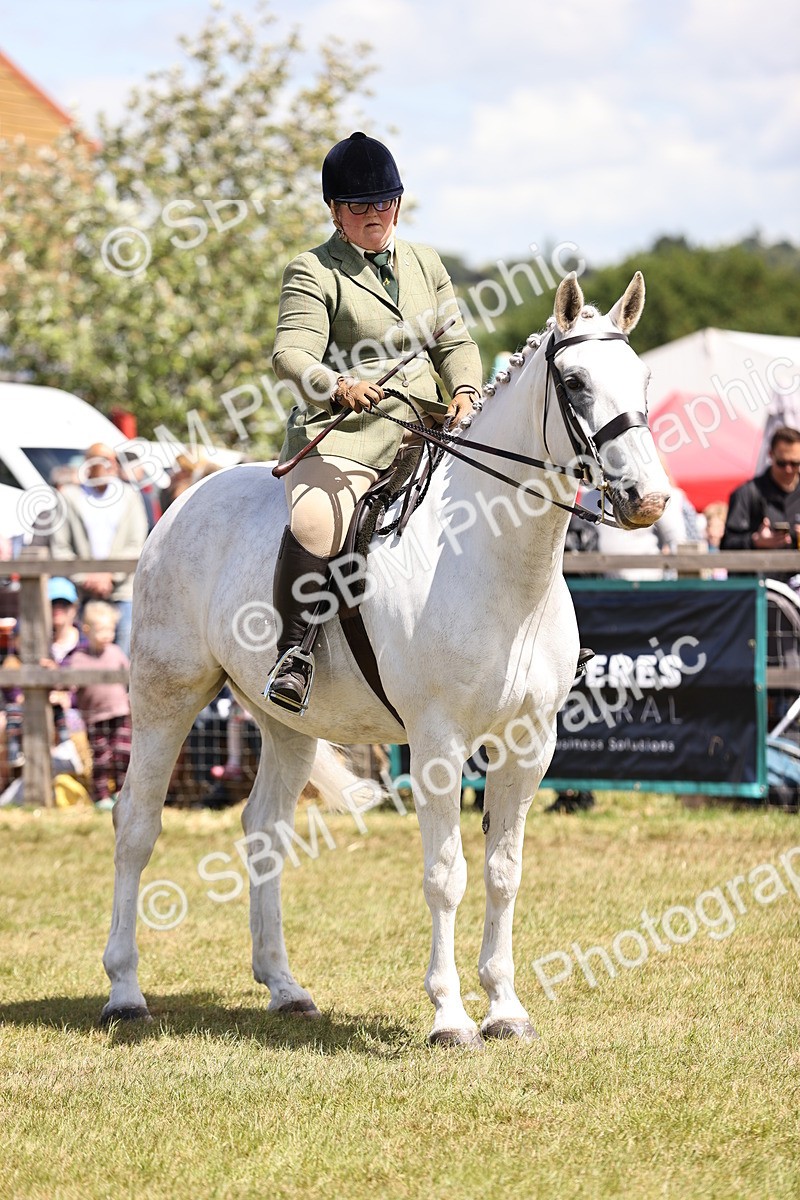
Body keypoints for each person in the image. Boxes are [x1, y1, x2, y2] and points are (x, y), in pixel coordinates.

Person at [264, 131, 484, 711]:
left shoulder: (426, 263)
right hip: (349, 434)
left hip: (427, 429)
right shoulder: (313, 270)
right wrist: (338, 386)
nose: (374, 215)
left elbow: (455, 342)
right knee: (316, 523)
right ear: (335, 211)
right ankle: (293, 654)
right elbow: (291, 354)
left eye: (384, 202)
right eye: (359, 206)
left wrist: (465, 388)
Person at [49, 442, 150, 657]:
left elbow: (137, 543)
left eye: (112, 460)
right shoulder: (69, 497)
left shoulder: (129, 496)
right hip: (82, 593)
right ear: (88, 465)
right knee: (83, 657)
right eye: (102, 461)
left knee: (123, 658)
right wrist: (87, 577)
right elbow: (60, 547)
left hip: (122, 590)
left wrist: (109, 575)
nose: (109, 465)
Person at [62, 600, 130, 810]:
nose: (107, 635)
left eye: (111, 629)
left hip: (120, 712)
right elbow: (67, 682)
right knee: (101, 757)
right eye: (101, 630)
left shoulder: (116, 652)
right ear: (87, 630)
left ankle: (122, 793)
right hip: (95, 716)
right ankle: (101, 796)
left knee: (123, 753)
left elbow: (130, 674)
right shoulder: (79, 658)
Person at [721, 426, 800, 555]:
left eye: (795, 463)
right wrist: (755, 541)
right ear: (770, 455)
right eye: (782, 463)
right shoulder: (746, 493)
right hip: (760, 567)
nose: (788, 469)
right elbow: (727, 544)